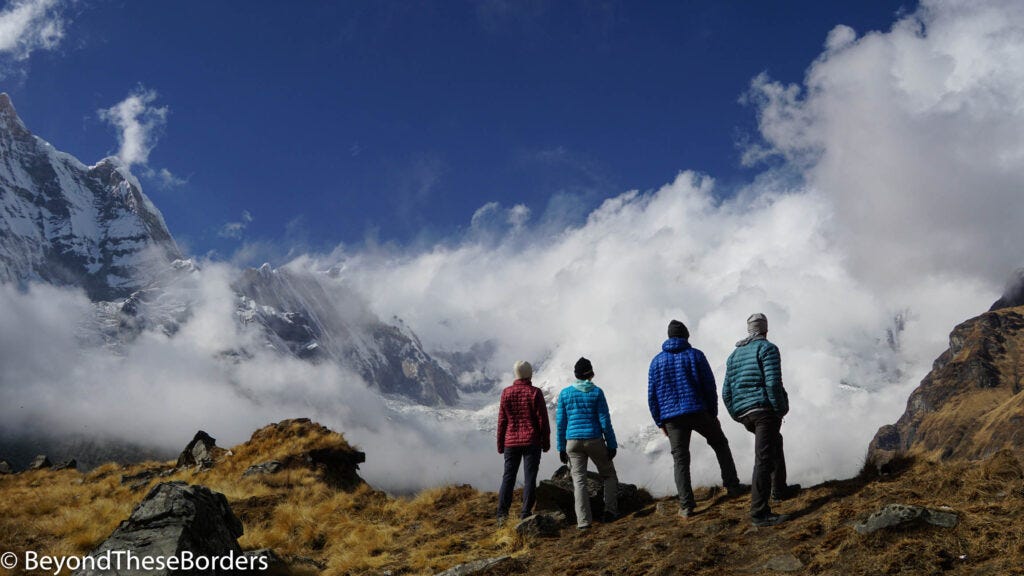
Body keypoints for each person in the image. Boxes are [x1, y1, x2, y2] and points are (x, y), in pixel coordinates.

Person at [648, 319, 745, 518]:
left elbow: (652, 396)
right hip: (698, 411)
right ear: (686, 335)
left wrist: (660, 422)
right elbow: (709, 386)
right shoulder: (696, 355)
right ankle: (732, 486)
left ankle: (686, 505)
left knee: (680, 460)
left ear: (668, 336)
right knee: (720, 443)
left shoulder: (656, 362)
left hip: (672, 418)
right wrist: (713, 414)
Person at [722, 313, 800, 527]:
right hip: (763, 409)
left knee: (775, 442)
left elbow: (726, 392)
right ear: (766, 329)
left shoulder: (734, 355)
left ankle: (779, 489)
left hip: (744, 412)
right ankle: (759, 513)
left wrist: (737, 414)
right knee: (763, 459)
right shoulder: (768, 349)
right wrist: (780, 409)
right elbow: (773, 383)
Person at [556, 357, 619, 530]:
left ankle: (583, 522)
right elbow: (605, 421)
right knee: (608, 475)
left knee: (579, 481)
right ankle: (610, 512)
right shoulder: (597, 392)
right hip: (594, 439)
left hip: (572, 442)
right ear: (590, 373)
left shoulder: (565, 393)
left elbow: (561, 424)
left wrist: (561, 448)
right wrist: (612, 444)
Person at [496, 360, 551, 525]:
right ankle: (525, 513)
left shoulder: (506, 393)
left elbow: (502, 421)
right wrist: (545, 442)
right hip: (531, 441)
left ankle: (501, 515)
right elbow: (543, 420)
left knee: (508, 477)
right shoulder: (535, 393)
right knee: (530, 478)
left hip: (510, 442)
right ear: (530, 374)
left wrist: (500, 444)